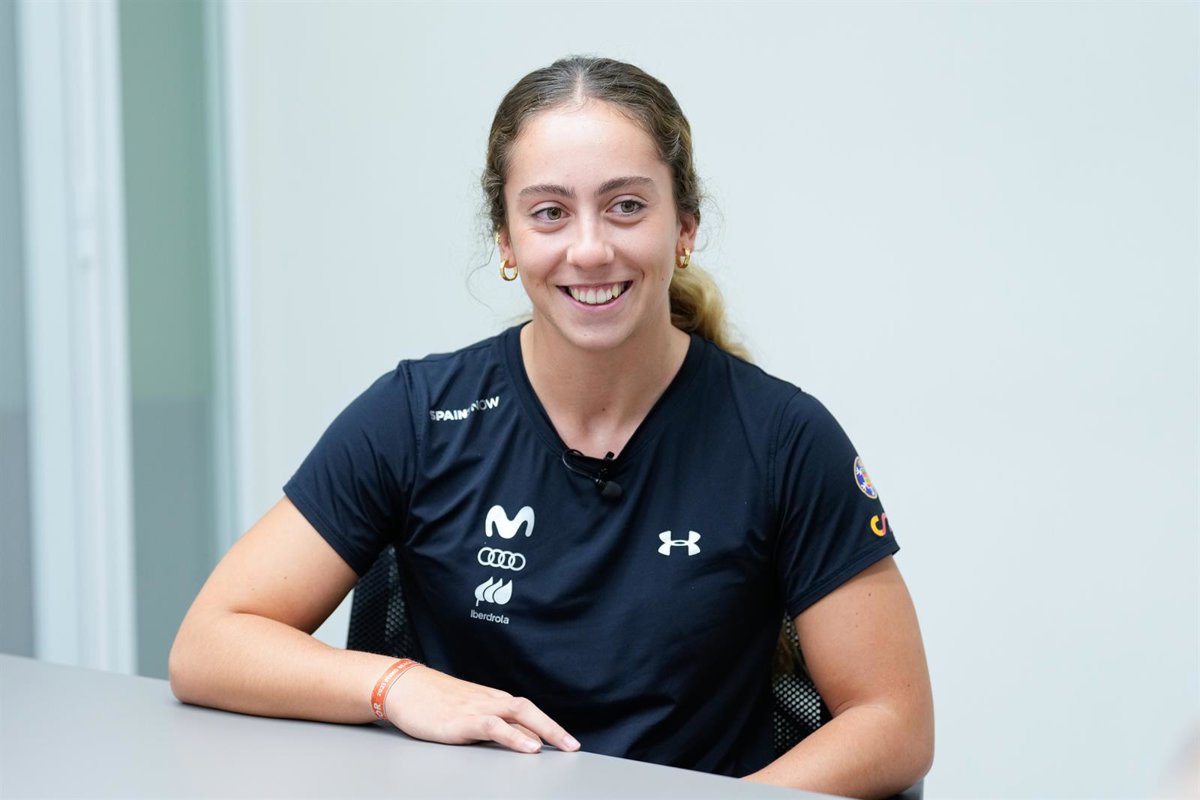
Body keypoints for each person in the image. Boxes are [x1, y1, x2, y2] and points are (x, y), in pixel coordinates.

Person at [169, 56, 933, 798]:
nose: (590, 248)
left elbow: (894, 721)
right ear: (506, 241)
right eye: (549, 213)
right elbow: (209, 644)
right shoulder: (417, 416)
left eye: (626, 206)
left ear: (684, 227)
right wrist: (396, 685)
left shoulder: (783, 439)